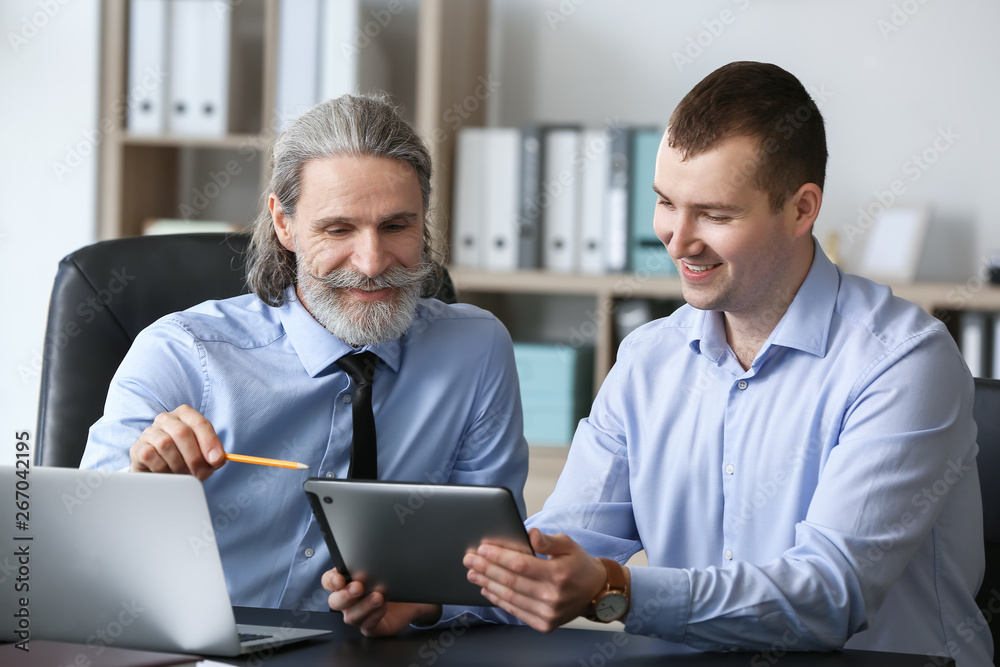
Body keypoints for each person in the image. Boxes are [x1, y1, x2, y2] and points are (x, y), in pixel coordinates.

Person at [326, 62, 992, 665]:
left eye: (714, 213)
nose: (676, 237)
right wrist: (437, 599)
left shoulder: (902, 360)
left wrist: (615, 589)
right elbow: (564, 542)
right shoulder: (650, 357)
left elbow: (828, 592)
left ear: (801, 209)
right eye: (667, 202)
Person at [80, 93, 529, 615]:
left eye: (395, 226)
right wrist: (142, 492)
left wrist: (425, 608)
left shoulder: (476, 350)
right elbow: (82, 560)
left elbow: (503, 576)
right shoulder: (181, 353)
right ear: (283, 224)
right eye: (338, 229)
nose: (371, 263)